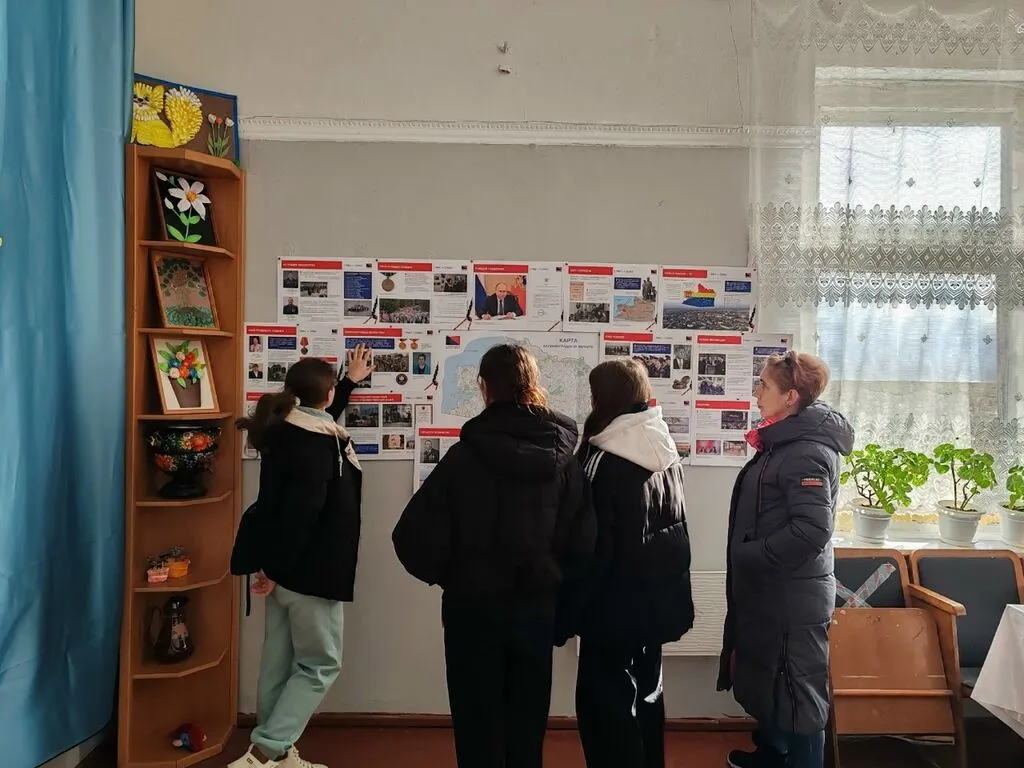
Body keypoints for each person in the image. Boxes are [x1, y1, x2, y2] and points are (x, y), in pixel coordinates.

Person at [392, 343, 596, 768]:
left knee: (476, 722)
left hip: (472, 611)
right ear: (533, 384)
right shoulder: (564, 462)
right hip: (536, 609)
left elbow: (410, 536)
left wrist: (454, 575)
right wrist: (557, 592)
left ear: (484, 387)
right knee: (527, 723)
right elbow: (582, 542)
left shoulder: (464, 458)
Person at [227, 346, 375, 768]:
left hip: (282, 570)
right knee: (320, 665)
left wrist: (347, 383)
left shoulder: (286, 430)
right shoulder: (317, 445)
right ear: (325, 395)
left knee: (278, 663)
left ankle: (277, 758)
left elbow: (319, 421)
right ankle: (263, 752)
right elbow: (302, 514)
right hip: (308, 572)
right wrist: (278, 568)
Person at [717, 350, 854, 768]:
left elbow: (811, 531)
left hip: (792, 597)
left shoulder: (805, 451)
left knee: (799, 696)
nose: (756, 393)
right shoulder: (785, 440)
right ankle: (772, 756)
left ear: (791, 396)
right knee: (772, 683)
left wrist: (749, 555)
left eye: (764, 385)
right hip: (773, 589)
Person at [569, 359, 694, 768]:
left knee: (606, 710)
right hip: (654, 603)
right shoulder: (661, 443)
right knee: (648, 698)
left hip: (612, 610)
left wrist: (572, 607)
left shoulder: (605, 458)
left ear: (602, 399)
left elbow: (593, 546)